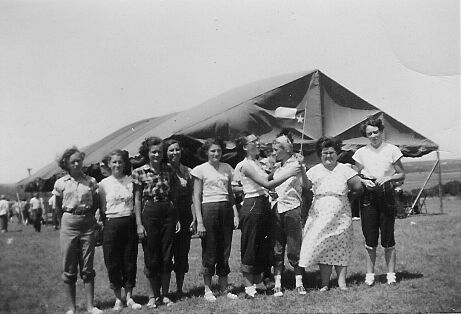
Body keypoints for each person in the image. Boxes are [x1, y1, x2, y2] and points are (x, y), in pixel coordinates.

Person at [234, 133, 302, 299]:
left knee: (261, 245)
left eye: (257, 141)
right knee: (250, 244)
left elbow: (268, 179)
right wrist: (289, 172)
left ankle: (258, 281)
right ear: (245, 147)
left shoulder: (257, 163)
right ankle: (249, 287)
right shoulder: (245, 165)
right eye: (253, 142)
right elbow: (266, 184)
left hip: (263, 204)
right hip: (252, 206)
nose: (258, 143)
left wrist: (284, 168)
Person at [299, 137, 362, 291]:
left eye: (331, 152)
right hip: (320, 214)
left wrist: (349, 199)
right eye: (325, 153)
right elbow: (306, 186)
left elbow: (358, 186)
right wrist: (302, 168)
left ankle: (342, 283)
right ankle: (325, 283)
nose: (328, 156)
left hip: (342, 215)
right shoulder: (314, 170)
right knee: (323, 246)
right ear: (320, 154)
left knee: (341, 246)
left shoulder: (344, 169)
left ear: (337, 153)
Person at [352, 116, 405, 286]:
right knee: (370, 238)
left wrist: (389, 178)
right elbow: (354, 175)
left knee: (388, 237)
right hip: (368, 197)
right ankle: (370, 275)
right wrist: (362, 180)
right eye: (369, 134)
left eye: (376, 132)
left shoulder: (392, 150)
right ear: (366, 136)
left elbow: (401, 173)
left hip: (386, 195)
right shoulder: (360, 153)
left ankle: (391, 275)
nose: (373, 136)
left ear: (381, 132)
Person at [52, 147, 102, 314]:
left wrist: (90, 219)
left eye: (79, 160)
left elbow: (95, 202)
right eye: (72, 161)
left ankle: (90, 306)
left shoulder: (91, 181)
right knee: (69, 265)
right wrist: (64, 223)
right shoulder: (61, 183)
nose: (76, 163)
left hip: (87, 223)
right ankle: (71, 308)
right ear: (66, 163)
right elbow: (58, 207)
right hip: (69, 222)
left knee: (87, 267)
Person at [132, 136, 180, 308]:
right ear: (147, 153)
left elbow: (174, 192)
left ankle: (165, 295)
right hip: (149, 211)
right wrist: (139, 223)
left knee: (167, 255)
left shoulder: (168, 169)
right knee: (151, 255)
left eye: (159, 152)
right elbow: (137, 199)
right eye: (153, 152)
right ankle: (153, 295)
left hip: (167, 211)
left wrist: (176, 216)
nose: (157, 155)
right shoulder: (139, 172)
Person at [191, 138, 239, 302]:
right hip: (208, 209)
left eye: (218, 151)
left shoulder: (227, 168)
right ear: (206, 152)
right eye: (212, 151)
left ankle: (224, 288)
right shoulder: (200, 170)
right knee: (210, 249)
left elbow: (231, 194)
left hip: (225, 208)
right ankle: (208, 289)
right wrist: (199, 220)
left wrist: (235, 214)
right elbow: (196, 196)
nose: (216, 154)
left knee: (225, 249)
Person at [99, 149, 142, 311]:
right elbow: (103, 209)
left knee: (129, 260)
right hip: (111, 224)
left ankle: (130, 297)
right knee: (113, 261)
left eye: (120, 162)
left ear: (125, 164)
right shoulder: (103, 184)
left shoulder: (131, 181)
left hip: (129, 222)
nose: (117, 165)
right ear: (109, 165)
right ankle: (118, 298)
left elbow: (136, 202)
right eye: (114, 162)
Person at [270, 134, 309, 297]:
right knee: (277, 247)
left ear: (286, 150)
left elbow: (306, 186)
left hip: (293, 209)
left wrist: (302, 169)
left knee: (295, 246)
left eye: (276, 149)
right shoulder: (277, 168)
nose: (273, 153)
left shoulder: (297, 165)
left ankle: (299, 282)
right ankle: (277, 283)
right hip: (276, 209)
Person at [164, 139, 196, 299]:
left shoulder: (187, 171)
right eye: (171, 150)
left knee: (182, 253)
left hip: (184, 216)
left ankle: (179, 289)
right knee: (166, 254)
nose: (175, 153)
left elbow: (192, 197)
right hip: (167, 216)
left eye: (177, 149)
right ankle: (164, 291)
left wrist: (194, 218)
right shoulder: (163, 171)